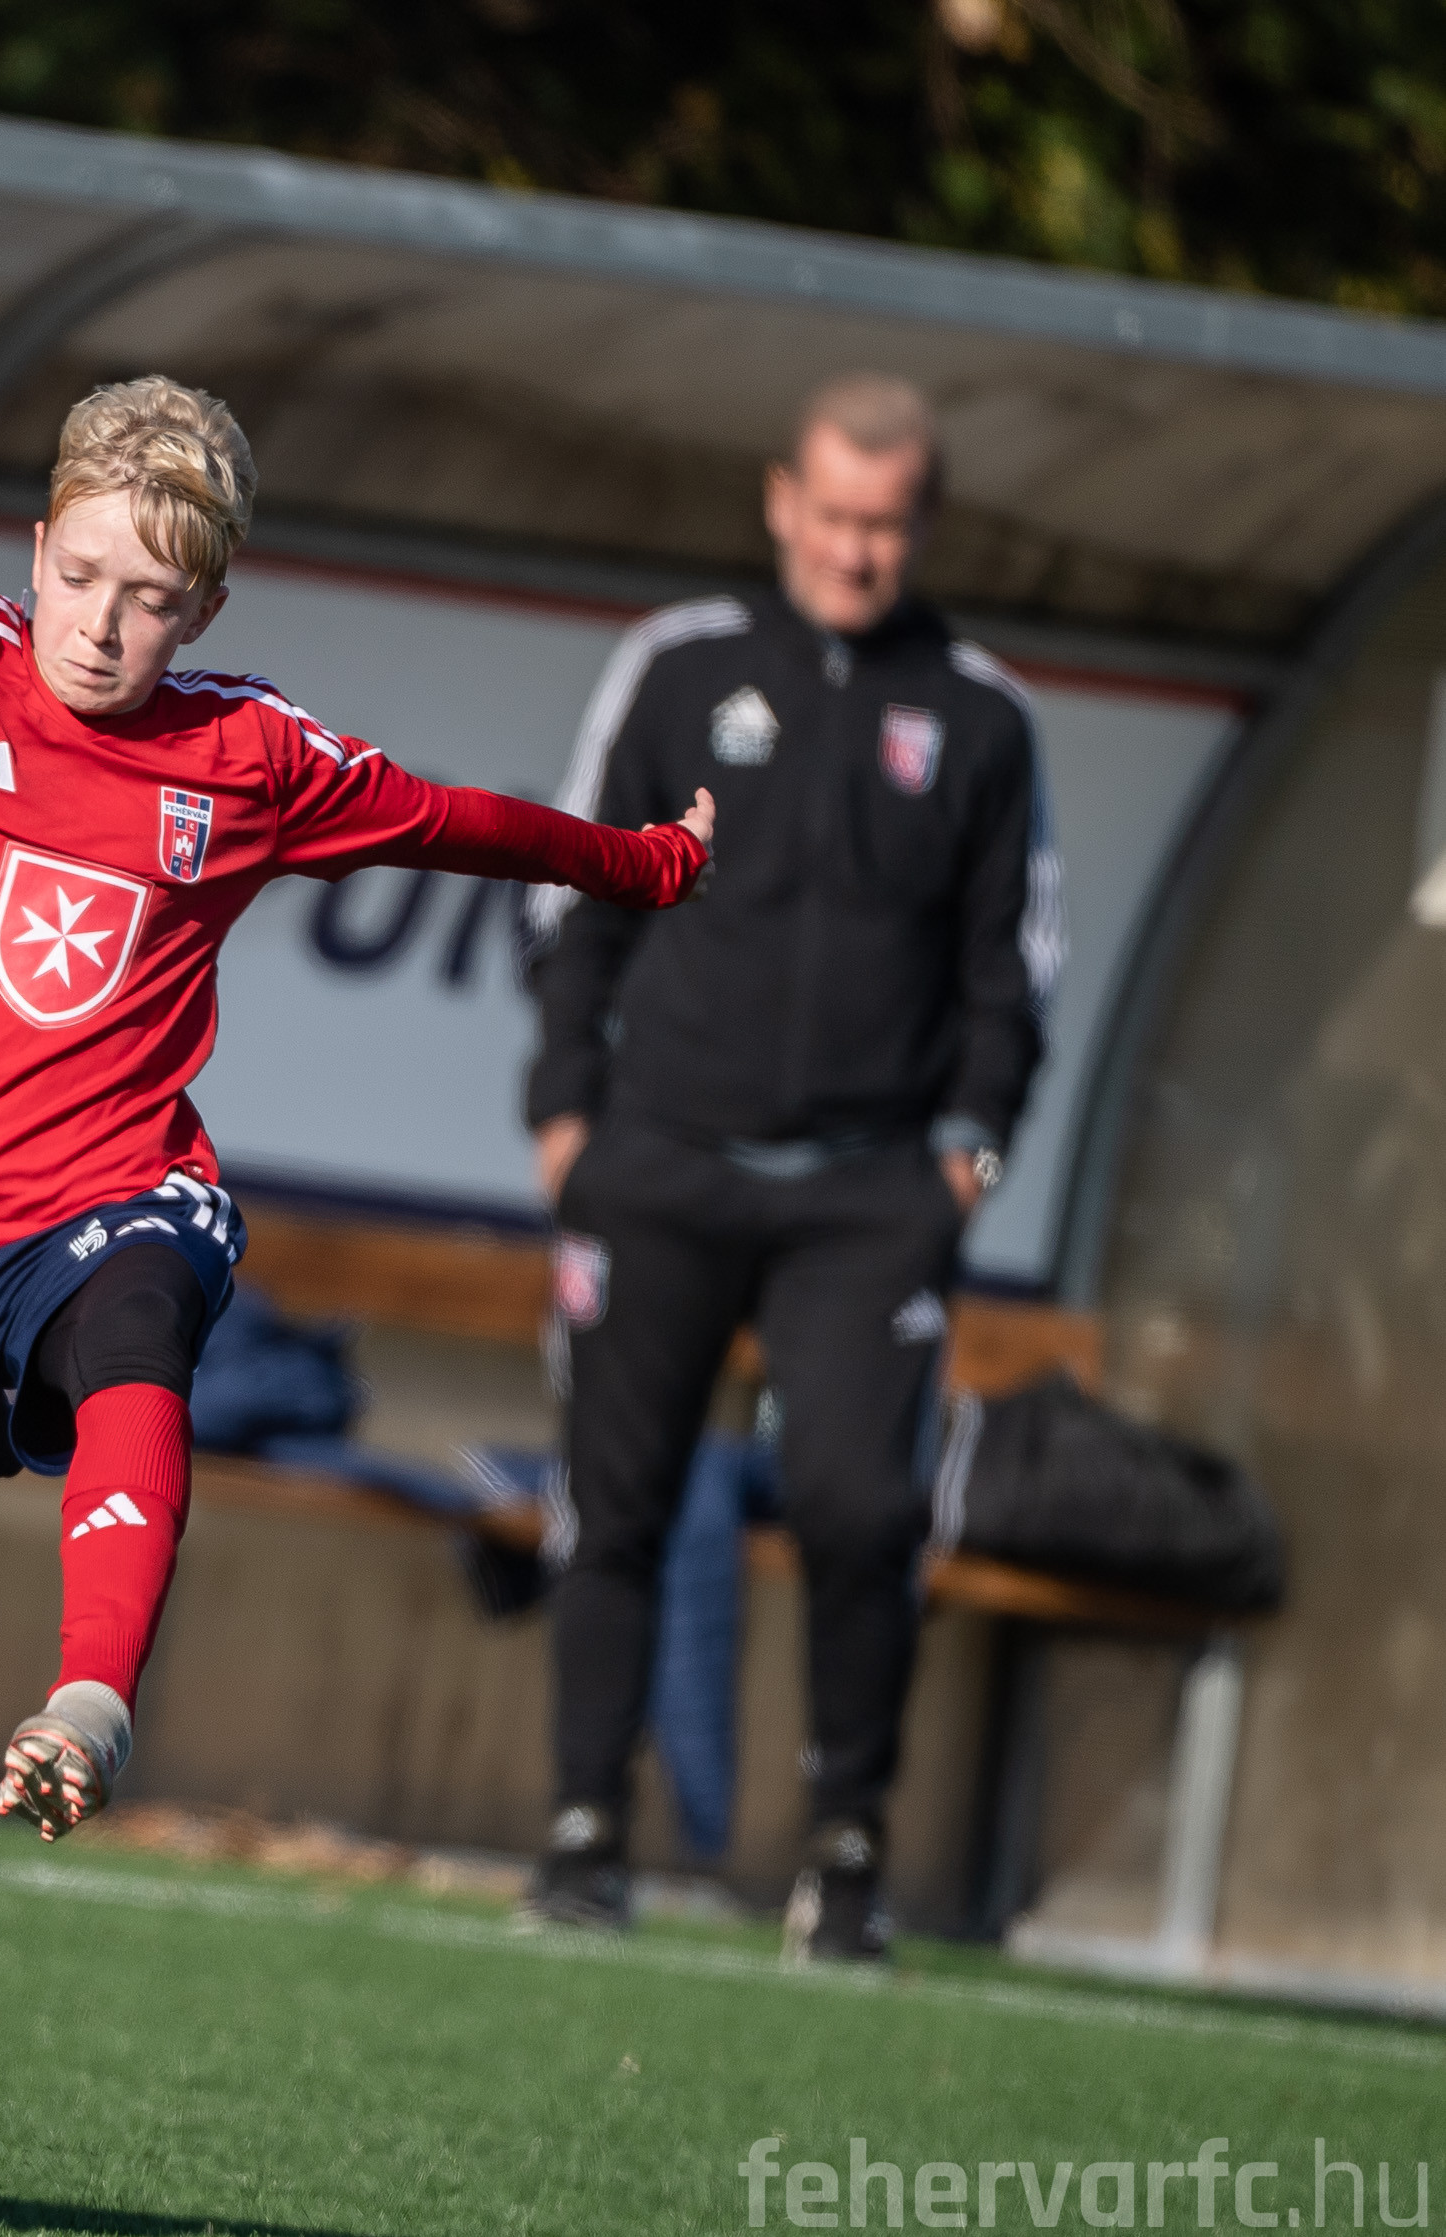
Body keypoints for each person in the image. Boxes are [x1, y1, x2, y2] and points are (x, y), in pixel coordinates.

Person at [0, 376, 713, 2074]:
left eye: (151, 597)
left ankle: (92, 1696)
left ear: (209, 607)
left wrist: (643, 864)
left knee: (144, 1317)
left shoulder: (251, 755)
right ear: (37, 548)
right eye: (83, 576)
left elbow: (460, 824)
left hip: (99, 1189)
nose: (102, 625)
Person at [517, 371, 1058, 1960]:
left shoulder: (981, 714)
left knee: (859, 1508)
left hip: (865, 1194)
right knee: (614, 1501)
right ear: (781, 502)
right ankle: (583, 1829)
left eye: (885, 523)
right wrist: (565, 1115)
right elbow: (573, 889)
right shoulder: (678, 664)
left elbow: (1015, 970)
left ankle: (846, 1855)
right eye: (832, 515)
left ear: (925, 523)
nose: (855, 550)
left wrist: (965, 1159)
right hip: (660, 1160)